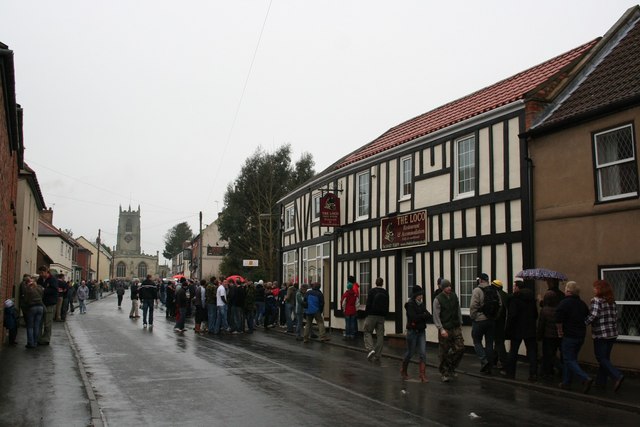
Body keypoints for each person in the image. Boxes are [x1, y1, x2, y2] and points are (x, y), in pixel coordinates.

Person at [585, 280, 624, 392]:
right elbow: (616, 316)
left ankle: (617, 376)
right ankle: (600, 383)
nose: (594, 289)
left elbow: (593, 315)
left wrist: (584, 323)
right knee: (605, 358)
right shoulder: (612, 301)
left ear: (600, 289)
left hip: (601, 334)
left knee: (600, 357)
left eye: (595, 287)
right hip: (612, 334)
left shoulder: (596, 300)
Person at [556, 281, 593, 393]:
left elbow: (558, 319)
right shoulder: (582, 304)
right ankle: (566, 382)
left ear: (568, 291)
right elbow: (587, 316)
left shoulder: (564, 303)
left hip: (569, 336)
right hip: (580, 336)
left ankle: (585, 378)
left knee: (568, 359)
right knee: (571, 359)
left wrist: (560, 331)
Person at [504, 279, 538, 381]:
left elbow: (512, 315)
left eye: (514, 287)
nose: (513, 289)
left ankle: (510, 373)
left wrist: (508, 328)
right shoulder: (531, 299)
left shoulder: (515, 299)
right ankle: (533, 374)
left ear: (518, 288)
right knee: (532, 352)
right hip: (530, 328)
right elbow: (535, 314)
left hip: (517, 328)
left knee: (513, 351)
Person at [433, 279, 465, 382]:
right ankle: (444, 372)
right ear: (443, 288)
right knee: (444, 351)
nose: (449, 288)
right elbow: (436, 315)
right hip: (445, 327)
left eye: (450, 286)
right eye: (447, 286)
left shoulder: (454, 296)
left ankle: (451, 366)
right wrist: (441, 329)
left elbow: (458, 310)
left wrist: (460, 322)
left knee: (460, 348)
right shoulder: (438, 299)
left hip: (455, 326)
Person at [470, 272, 501, 374]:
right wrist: (494, 316)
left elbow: (473, 306)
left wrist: (473, 317)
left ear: (480, 280)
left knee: (477, 341)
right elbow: (500, 305)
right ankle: (490, 365)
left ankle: (484, 360)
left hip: (479, 320)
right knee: (489, 343)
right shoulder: (494, 290)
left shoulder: (477, 290)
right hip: (491, 321)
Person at [401, 285, 431, 382]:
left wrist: (421, 316)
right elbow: (413, 317)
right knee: (411, 352)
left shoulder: (421, 304)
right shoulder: (410, 305)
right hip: (412, 332)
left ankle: (422, 375)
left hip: (421, 331)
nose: (421, 296)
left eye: (421, 294)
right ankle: (404, 369)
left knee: (423, 353)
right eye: (419, 295)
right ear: (415, 295)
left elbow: (428, 315)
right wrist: (423, 315)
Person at [537, 291, 561, 378]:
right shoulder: (558, 309)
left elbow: (541, 325)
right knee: (553, 353)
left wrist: (539, 336)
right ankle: (549, 370)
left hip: (547, 336)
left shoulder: (544, 310)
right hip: (557, 335)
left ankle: (548, 371)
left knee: (548, 354)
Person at [364, 277, 389, 361]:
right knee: (380, 335)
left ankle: (371, 349)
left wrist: (367, 313)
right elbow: (387, 304)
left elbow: (368, 303)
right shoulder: (385, 292)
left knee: (367, 331)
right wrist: (385, 314)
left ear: (375, 283)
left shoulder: (372, 291)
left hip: (371, 315)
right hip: (381, 316)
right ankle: (377, 355)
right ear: (382, 283)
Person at [37, 265, 58, 345]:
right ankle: (38, 338)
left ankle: (46, 339)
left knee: (47, 323)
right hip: (41, 303)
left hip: (49, 303)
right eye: (40, 273)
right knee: (40, 322)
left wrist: (44, 290)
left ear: (47, 272)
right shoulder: (40, 279)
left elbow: (54, 290)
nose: (41, 274)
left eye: (42, 272)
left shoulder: (52, 280)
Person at [23, 277, 44, 349]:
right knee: (37, 326)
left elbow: (25, 300)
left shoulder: (27, 289)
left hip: (32, 308)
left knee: (30, 326)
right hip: (40, 307)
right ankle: (35, 342)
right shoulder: (39, 288)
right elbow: (42, 295)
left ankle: (30, 343)